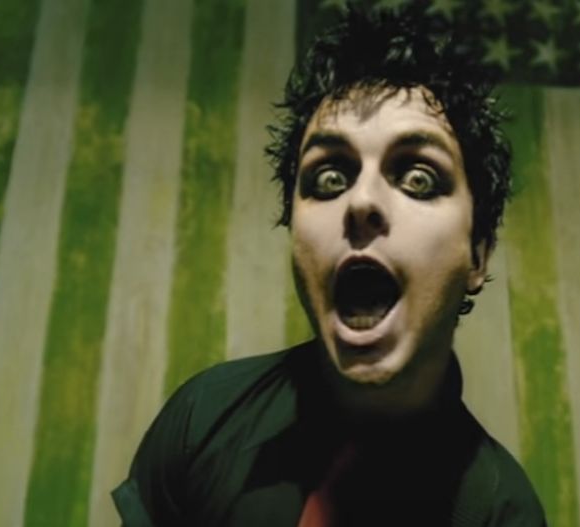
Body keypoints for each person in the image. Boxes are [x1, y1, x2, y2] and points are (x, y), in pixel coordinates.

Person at [113, 4, 546, 526]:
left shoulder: (501, 512)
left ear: (477, 254)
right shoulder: (203, 419)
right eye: (330, 178)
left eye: (418, 178)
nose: (360, 201)